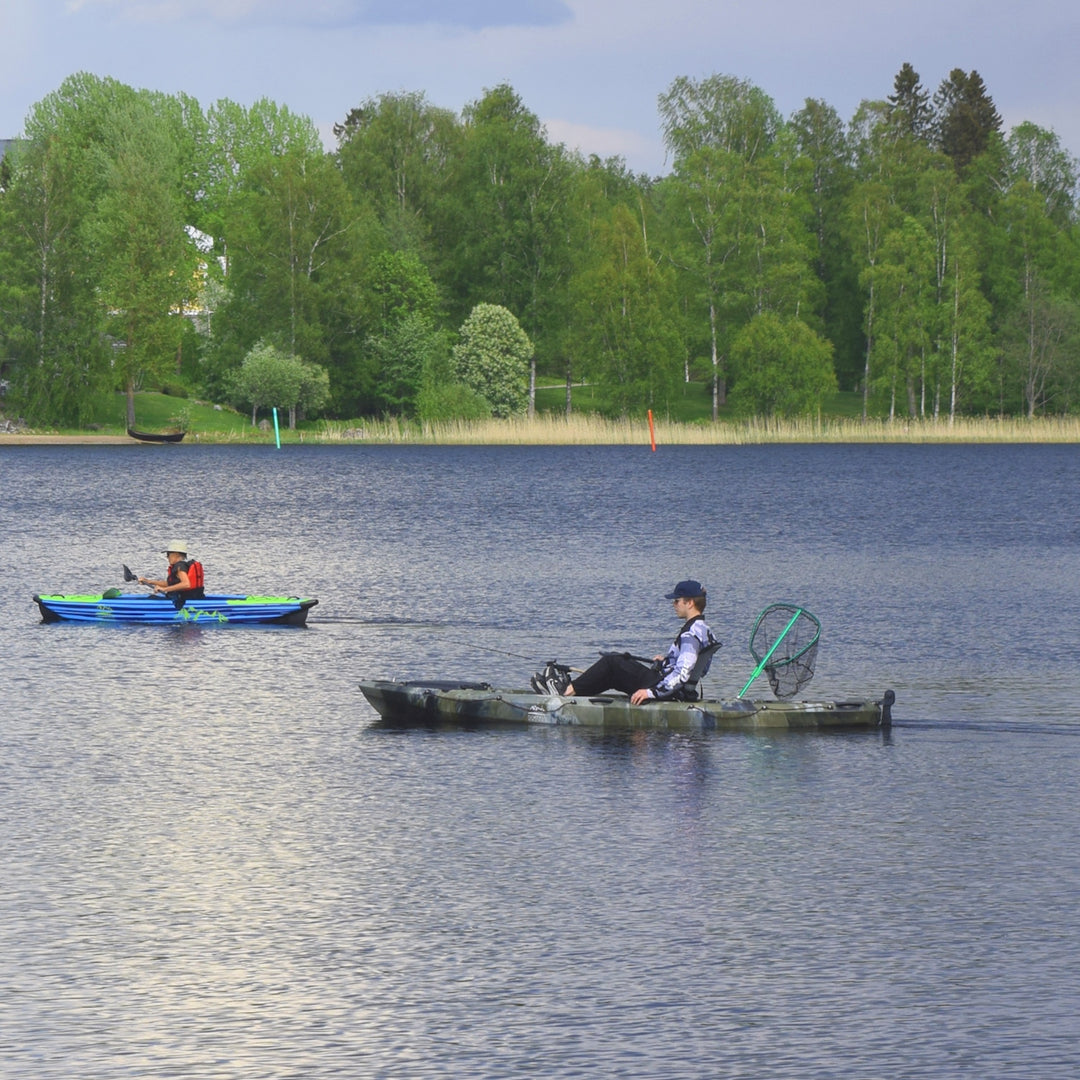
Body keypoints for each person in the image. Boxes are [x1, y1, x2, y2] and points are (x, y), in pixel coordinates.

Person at [531, 580, 719, 704]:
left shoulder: (689, 635)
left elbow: (683, 672)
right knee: (615, 670)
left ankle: (563, 694)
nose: (673, 605)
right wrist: (667, 661)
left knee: (612, 662)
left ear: (690, 603)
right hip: (676, 689)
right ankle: (573, 694)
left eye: (677, 601)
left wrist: (650, 693)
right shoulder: (704, 630)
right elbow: (700, 669)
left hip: (668, 693)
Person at [139, 540, 206, 606]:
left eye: (168, 555)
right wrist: (149, 581)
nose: (167, 557)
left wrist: (164, 589)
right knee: (152, 598)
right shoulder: (182, 565)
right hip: (187, 598)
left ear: (176, 554)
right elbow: (171, 584)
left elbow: (186, 584)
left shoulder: (179, 566)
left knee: (151, 598)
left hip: (181, 602)